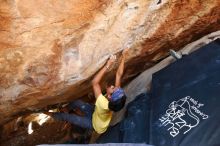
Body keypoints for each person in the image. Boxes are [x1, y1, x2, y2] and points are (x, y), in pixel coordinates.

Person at [45, 49, 128, 135]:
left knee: (69, 117)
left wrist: (107, 65)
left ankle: (51, 115)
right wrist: (124, 55)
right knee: (77, 102)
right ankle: (65, 109)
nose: (112, 86)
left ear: (110, 97)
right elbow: (119, 74)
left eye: (113, 88)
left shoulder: (103, 103)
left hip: (95, 125)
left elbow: (94, 83)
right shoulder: (116, 97)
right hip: (96, 112)